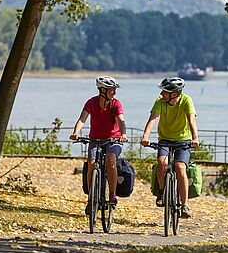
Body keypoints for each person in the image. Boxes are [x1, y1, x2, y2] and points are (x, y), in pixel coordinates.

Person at [140, 77, 199, 219]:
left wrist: (195, 138)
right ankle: (161, 192)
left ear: (174, 94)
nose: (162, 94)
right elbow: (153, 119)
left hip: (183, 140)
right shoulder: (160, 102)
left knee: (180, 167)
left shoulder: (186, 100)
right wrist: (145, 136)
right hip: (165, 139)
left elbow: (191, 120)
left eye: (165, 92)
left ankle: (184, 205)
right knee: (162, 163)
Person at [70, 76, 128, 209]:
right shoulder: (91, 102)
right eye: (112, 90)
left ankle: (112, 194)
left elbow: (121, 120)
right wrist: (76, 133)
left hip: (114, 140)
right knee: (91, 164)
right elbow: (82, 119)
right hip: (95, 140)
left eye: (114, 90)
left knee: (111, 159)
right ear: (102, 90)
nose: (114, 92)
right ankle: (91, 197)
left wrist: (123, 134)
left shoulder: (116, 104)